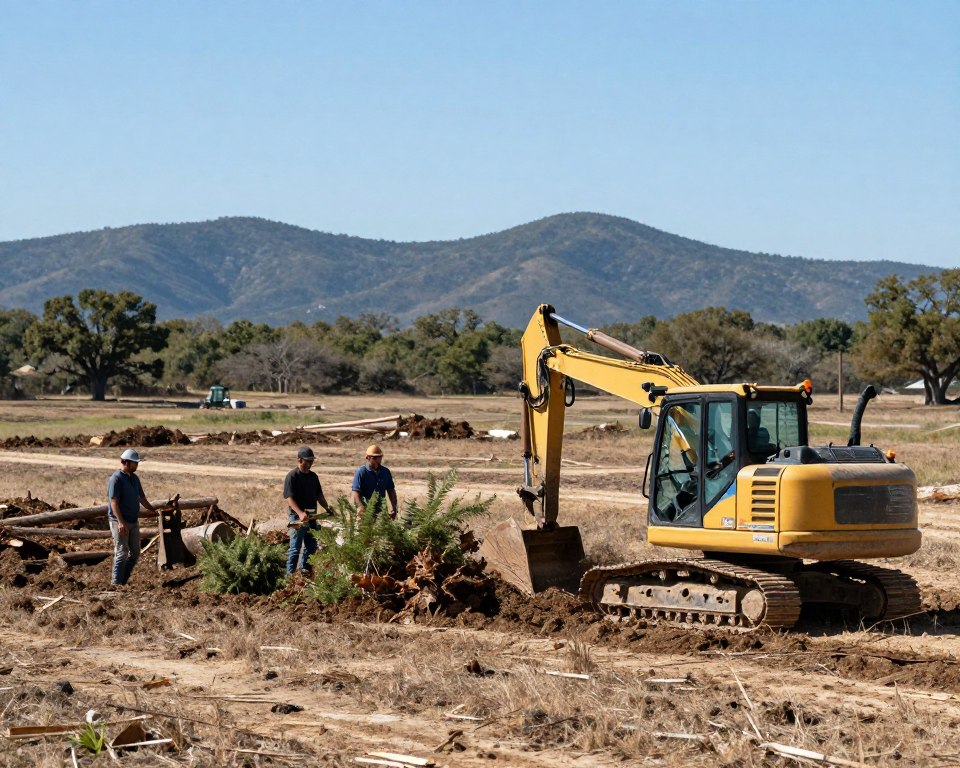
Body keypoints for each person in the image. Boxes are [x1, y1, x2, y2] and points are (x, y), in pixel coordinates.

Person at [107, 448, 157, 586]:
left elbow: (141, 498)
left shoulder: (134, 478)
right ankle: (116, 584)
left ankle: (123, 580)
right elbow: (114, 503)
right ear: (127, 463)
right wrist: (121, 522)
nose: (137, 465)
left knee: (135, 553)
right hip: (120, 522)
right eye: (135, 463)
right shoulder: (116, 479)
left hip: (133, 521)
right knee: (122, 552)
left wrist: (153, 510)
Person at [284, 445, 332, 575]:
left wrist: (327, 508)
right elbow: (289, 498)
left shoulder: (313, 477)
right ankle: (290, 577)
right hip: (297, 519)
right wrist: (300, 513)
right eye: (308, 461)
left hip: (312, 517)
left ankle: (305, 571)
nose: (310, 463)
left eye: (311, 461)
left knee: (311, 546)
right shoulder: (292, 476)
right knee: (295, 548)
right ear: (299, 460)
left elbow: (319, 495)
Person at [351, 443, 398, 519]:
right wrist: (361, 508)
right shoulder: (361, 472)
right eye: (375, 457)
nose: (378, 460)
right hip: (365, 508)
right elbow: (356, 493)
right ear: (368, 457)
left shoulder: (385, 472)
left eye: (379, 457)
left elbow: (391, 490)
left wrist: (394, 507)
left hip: (380, 509)